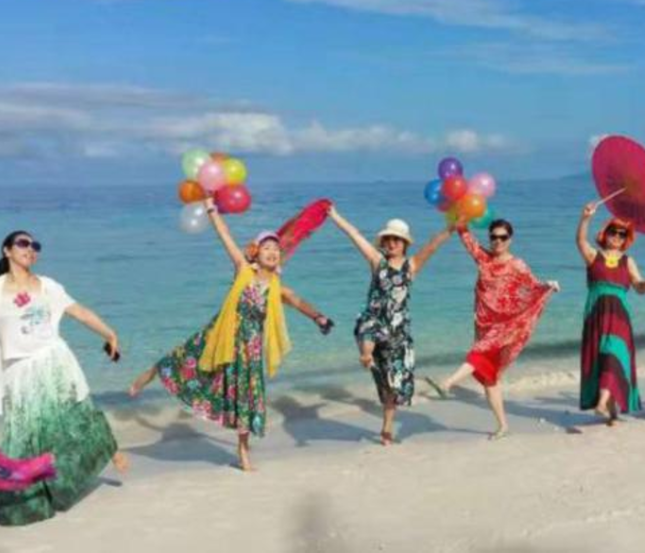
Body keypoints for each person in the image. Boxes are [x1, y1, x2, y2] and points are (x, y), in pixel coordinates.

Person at [0, 230, 127, 526]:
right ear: (6, 250)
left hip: (54, 364)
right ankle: (27, 504)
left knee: (74, 420)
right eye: (23, 243)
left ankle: (105, 450)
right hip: (19, 373)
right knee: (23, 438)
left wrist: (110, 333)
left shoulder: (48, 286)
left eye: (34, 245)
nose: (30, 249)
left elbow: (80, 312)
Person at [129, 198, 331, 470]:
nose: (272, 251)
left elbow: (296, 300)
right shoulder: (242, 269)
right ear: (255, 253)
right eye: (266, 247)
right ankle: (151, 372)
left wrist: (318, 316)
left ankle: (243, 451)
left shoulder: (276, 287)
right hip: (220, 337)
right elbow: (224, 235)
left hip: (250, 351)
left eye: (276, 248)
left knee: (247, 399)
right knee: (183, 361)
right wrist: (212, 209)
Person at [328, 207, 452, 445]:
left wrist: (451, 228)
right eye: (388, 239)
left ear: (405, 244)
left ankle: (386, 429)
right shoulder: (377, 261)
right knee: (368, 326)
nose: (392, 243)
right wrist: (334, 216)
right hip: (373, 322)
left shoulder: (412, 266)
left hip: (398, 332)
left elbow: (433, 246)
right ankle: (365, 355)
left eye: (397, 239)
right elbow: (355, 235)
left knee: (392, 386)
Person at [428, 220, 559, 439]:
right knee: (490, 378)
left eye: (503, 237)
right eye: (494, 237)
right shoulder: (483, 257)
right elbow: (466, 238)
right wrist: (459, 219)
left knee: (477, 353)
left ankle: (448, 383)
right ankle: (503, 426)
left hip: (505, 324)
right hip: (483, 323)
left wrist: (549, 285)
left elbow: (533, 286)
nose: (498, 241)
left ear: (510, 240)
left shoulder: (517, 264)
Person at [577, 204, 645, 424]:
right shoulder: (594, 256)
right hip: (596, 314)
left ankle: (602, 403)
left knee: (614, 355)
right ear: (605, 234)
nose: (616, 236)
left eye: (621, 234)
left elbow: (641, 288)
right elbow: (580, 242)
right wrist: (585, 219)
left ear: (626, 239)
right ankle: (612, 412)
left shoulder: (628, 261)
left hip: (619, 318)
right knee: (602, 359)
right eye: (613, 231)